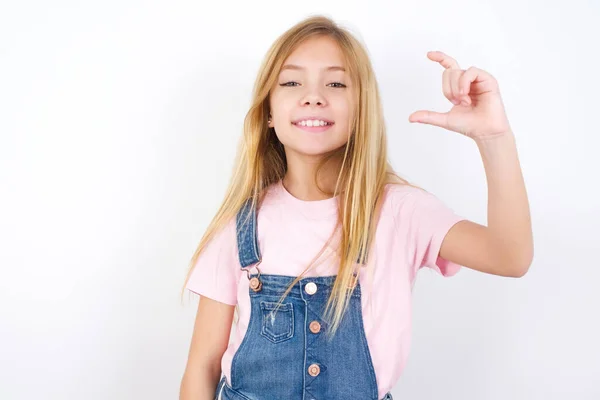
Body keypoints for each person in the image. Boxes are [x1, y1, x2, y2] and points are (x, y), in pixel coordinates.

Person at [179, 15, 533, 400]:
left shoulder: (400, 213)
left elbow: (510, 256)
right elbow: (202, 367)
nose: (313, 96)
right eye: (291, 82)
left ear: (361, 108)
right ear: (268, 112)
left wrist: (494, 137)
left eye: (335, 83)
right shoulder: (239, 227)